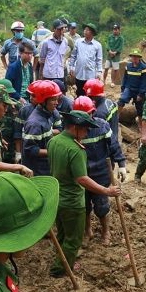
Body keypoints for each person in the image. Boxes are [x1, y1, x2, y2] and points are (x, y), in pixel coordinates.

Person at [49, 110, 122, 276]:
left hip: (56, 197)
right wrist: (106, 191)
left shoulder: (54, 142)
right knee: (73, 239)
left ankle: (60, 259)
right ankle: (60, 270)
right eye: (85, 129)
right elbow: (82, 179)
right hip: (72, 202)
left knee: (62, 234)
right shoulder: (76, 150)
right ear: (75, 128)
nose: (87, 133)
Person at [75, 96, 127, 244]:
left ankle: (106, 231)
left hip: (101, 173)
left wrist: (121, 164)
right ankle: (87, 231)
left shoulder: (102, 126)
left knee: (101, 205)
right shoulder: (75, 130)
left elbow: (114, 146)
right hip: (82, 174)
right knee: (84, 205)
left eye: (90, 114)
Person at [22, 80, 63, 178]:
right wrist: (54, 152)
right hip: (37, 171)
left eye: (57, 99)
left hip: (45, 167)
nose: (56, 103)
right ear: (43, 100)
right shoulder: (35, 123)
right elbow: (30, 149)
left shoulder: (48, 115)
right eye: (53, 100)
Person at [68, 23, 103, 96]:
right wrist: (71, 67)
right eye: (85, 29)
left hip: (90, 74)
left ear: (92, 33)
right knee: (79, 92)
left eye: (87, 30)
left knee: (90, 94)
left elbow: (99, 60)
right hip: (79, 73)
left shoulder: (97, 45)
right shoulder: (78, 42)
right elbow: (73, 55)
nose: (85, 31)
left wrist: (99, 72)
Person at [36, 19, 70, 89]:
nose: (61, 31)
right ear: (54, 29)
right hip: (48, 74)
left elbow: (63, 55)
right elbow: (42, 59)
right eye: (59, 29)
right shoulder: (46, 42)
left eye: (62, 29)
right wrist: (41, 74)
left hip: (60, 74)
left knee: (59, 94)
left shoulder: (65, 41)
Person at [84, 77, 120, 143]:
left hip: (108, 143)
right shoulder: (109, 102)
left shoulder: (99, 113)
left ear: (92, 96)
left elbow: (97, 134)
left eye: (88, 96)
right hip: (114, 136)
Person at [118, 49, 146, 117]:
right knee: (121, 101)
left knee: (140, 108)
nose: (134, 58)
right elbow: (125, 78)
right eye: (133, 56)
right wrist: (123, 89)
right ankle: (116, 118)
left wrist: (140, 94)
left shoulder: (143, 68)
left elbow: (143, 82)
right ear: (131, 57)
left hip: (138, 90)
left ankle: (140, 125)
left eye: (136, 56)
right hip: (129, 88)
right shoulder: (128, 66)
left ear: (139, 57)